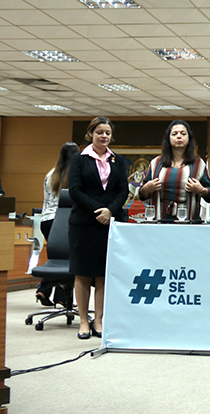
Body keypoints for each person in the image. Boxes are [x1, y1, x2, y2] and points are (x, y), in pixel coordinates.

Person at [69, 117, 129, 339]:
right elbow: (75, 190)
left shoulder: (117, 160)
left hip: (109, 223)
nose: (104, 136)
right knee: (84, 273)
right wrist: (99, 211)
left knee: (104, 273)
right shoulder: (79, 159)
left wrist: (110, 211)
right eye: (99, 132)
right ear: (90, 134)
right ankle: (83, 321)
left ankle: (99, 319)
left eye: (107, 133)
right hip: (84, 223)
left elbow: (123, 190)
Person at [138, 120, 210, 221]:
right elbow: (141, 194)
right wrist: (146, 189)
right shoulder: (156, 163)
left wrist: (201, 190)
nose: (179, 136)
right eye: (174, 134)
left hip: (189, 221)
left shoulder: (198, 164)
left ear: (189, 139)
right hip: (160, 221)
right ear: (168, 139)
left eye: (183, 133)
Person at [36, 142, 80, 307]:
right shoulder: (76, 173)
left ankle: (45, 290)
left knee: (56, 258)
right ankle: (62, 297)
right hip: (64, 221)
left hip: (47, 220)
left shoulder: (51, 174)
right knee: (68, 259)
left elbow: (46, 199)